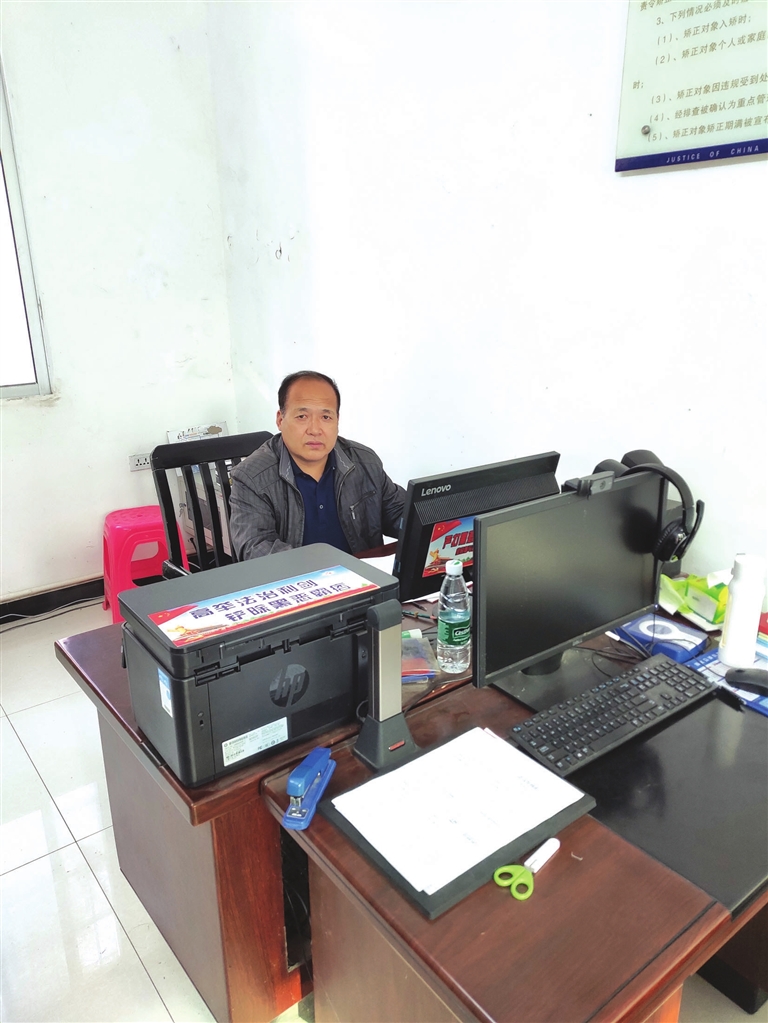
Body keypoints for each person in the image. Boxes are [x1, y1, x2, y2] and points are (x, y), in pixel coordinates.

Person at [229, 370, 406, 560]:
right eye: (302, 416)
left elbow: (401, 514)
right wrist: (325, 569)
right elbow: (256, 549)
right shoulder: (251, 477)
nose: (315, 430)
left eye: (326, 417)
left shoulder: (365, 461)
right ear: (280, 420)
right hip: (300, 577)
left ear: (337, 420)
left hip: (365, 575)